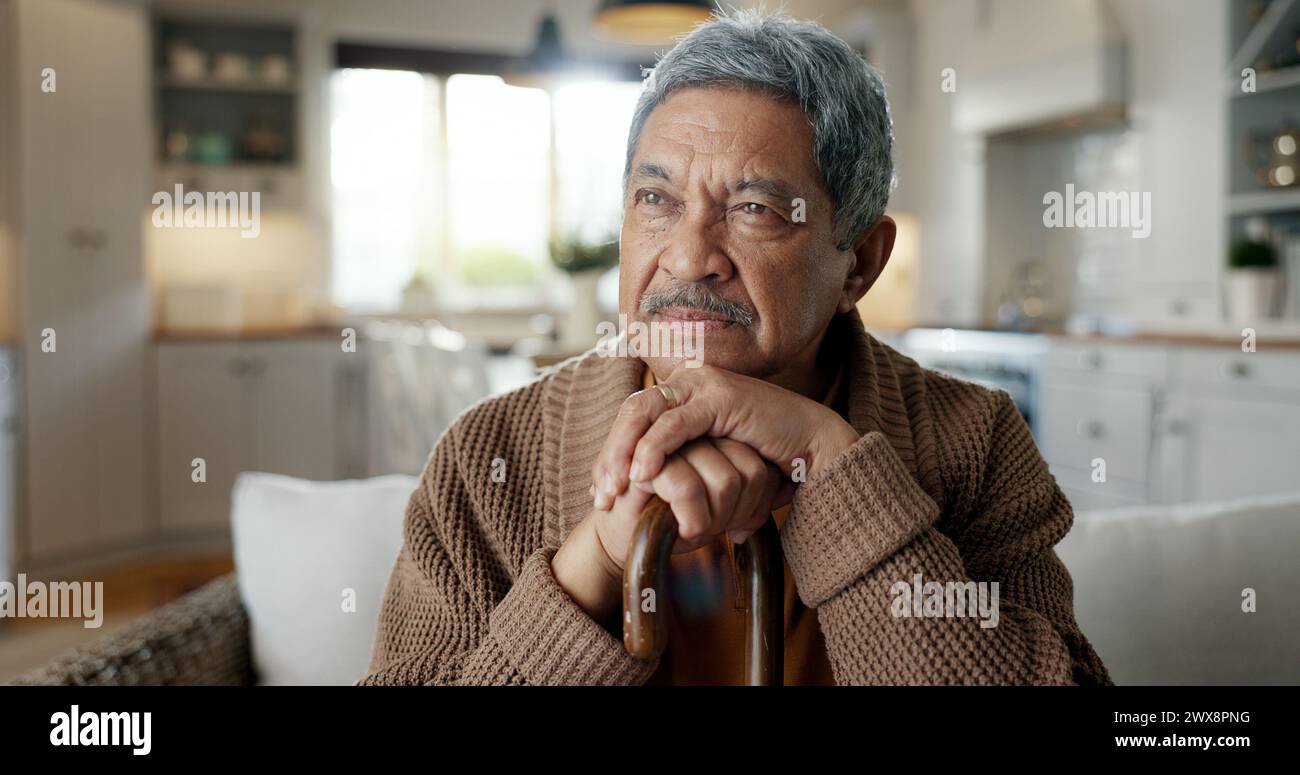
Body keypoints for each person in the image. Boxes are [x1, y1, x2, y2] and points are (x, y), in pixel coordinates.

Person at [359, 9, 1111, 686]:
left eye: (753, 208)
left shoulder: (977, 442)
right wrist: (600, 559)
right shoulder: (487, 460)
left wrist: (836, 468)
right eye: (656, 200)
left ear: (860, 263)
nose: (688, 257)